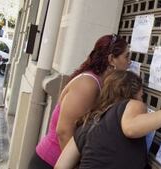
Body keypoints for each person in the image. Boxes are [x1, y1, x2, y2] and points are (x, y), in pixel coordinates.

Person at [28, 34, 131, 169]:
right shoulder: (87, 84)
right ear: (112, 59)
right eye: (126, 56)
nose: (130, 62)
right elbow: (64, 132)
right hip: (50, 162)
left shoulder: (102, 83)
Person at [54, 70, 161, 169]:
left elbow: (60, 166)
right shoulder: (130, 104)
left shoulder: (87, 124)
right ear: (131, 92)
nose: (142, 101)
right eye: (141, 95)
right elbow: (131, 128)